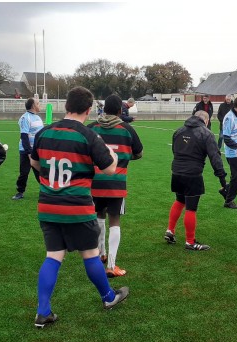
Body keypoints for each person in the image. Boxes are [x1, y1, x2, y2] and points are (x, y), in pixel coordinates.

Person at [30, 86, 129, 329]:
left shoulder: (45, 132)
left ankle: (43, 312)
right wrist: (112, 155)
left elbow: (33, 161)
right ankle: (108, 298)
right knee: (90, 254)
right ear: (89, 109)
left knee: (53, 256)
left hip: (48, 205)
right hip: (77, 206)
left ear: (66, 106)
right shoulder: (88, 136)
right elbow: (109, 168)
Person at [88, 94, 144, 277]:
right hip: (116, 183)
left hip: (95, 182)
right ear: (121, 111)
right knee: (115, 220)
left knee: (98, 216)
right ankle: (111, 265)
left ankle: (100, 255)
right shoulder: (126, 129)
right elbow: (139, 153)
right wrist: (123, 158)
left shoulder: (92, 128)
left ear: (104, 109)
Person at [164, 110, 227, 251]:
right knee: (191, 208)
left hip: (176, 171)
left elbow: (175, 150)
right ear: (206, 120)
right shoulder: (206, 133)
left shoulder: (179, 131)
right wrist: (223, 180)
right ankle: (190, 242)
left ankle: (170, 230)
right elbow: (215, 158)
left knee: (180, 200)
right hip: (192, 174)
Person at [11, 98, 43, 200]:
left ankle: (46, 190)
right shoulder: (25, 118)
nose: (40, 105)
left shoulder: (38, 118)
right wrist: (29, 152)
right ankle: (20, 192)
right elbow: (24, 136)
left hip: (37, 151)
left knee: (41, 171)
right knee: (24, 172)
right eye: (38, 103)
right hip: (26, 151)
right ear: (33, 106)